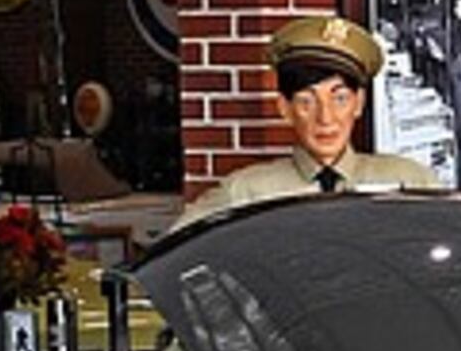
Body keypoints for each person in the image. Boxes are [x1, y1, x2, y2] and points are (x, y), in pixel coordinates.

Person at [173, 13, 437, 227]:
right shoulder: (246, 193)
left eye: (340, 99)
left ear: (359, 104)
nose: (325, 118)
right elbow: (171, 260)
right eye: (306, 102)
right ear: (284, 108)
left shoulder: (410, 183)